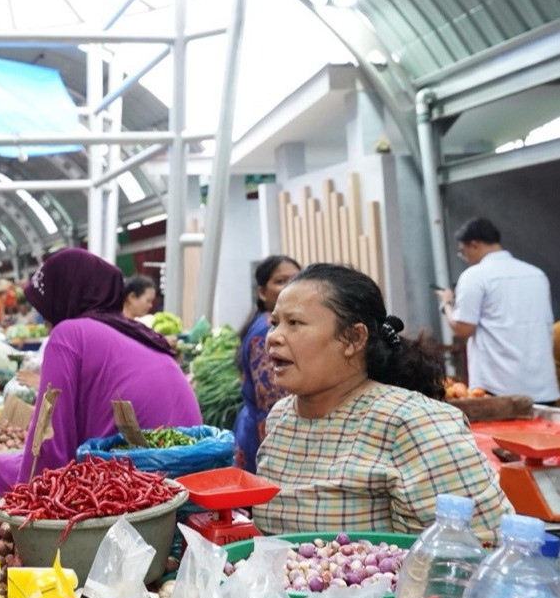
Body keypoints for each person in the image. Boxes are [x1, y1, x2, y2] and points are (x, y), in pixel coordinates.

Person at [257, 263, 509, 542]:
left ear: (353, 338)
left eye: (294, 323)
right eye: (274, 323)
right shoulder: (280, 417)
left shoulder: (414, 424)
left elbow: (482, 547)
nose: (273, 338)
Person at [0, 248, 202, 494]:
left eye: (46, 307)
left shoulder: (68, 334)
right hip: (192, 477)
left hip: (137, 488)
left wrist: (2, 479)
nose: (45, 320)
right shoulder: (138, 335)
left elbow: (48, 451)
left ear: (66, 294)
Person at [438, 217, 558, 402]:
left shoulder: (475, 276)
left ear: (474, 245)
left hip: (500, 390)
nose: (465, 259)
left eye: (463, 252)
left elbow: (463, 328)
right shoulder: (536, 274)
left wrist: (447, 304)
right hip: (543, 387)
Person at [232, 255, 300, 474]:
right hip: (264, 438)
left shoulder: (272, 325)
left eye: (298, 279)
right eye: (281, 281)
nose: (291, 287)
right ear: (262, 292)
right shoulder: (266, 333)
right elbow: (272, 403)